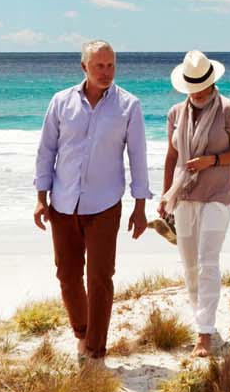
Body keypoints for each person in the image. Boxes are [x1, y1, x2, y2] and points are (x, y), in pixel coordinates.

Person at [33, 40, 149, 361]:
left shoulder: (129, 105)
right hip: (63, 203)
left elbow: (137, 157)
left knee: (100, 279)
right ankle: (82, 333)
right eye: (99, 65)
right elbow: (47, 151)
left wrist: (141, 206)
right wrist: (41, 198)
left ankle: (95, 351)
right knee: (67, 275)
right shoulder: (60, 102)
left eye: (111, 65)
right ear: (84, 67)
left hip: (105, 204)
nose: (106, 72)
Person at [159, 50, 230, 358]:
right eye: (191, 87)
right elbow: (171, 157)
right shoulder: (175, 113)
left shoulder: (229, 109)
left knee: (208, 260)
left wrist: (214, 160)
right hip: (184, 194)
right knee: (189, 265)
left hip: (219, 193)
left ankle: (204, 334)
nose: (196, 93)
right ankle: (202, 317)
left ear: (211, 83)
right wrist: (165, 193)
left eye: (201, 86)